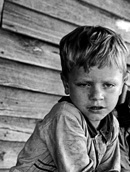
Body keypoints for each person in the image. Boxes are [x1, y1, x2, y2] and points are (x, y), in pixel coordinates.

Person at [10, 25, 129, 172]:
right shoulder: (65, 117)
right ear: (66, 84)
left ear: (123, 84)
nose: (97, 96)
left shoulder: (112, 125)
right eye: (84, 84)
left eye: (108, 85)